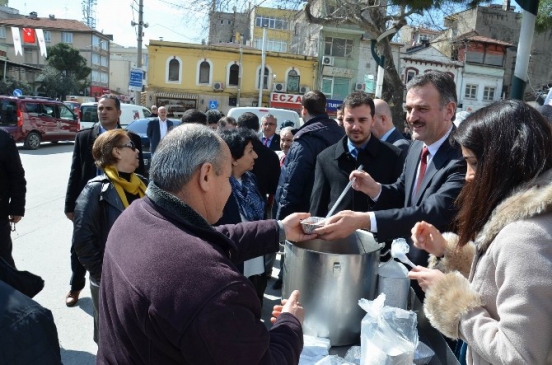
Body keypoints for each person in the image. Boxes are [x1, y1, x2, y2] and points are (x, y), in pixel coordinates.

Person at [97, 124, 316, 364]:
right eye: (228, 178)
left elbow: (211, 237)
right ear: (205, 175)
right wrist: (290, 323)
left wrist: (280, 229)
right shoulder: (212, 288)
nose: (230, 187)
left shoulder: (134, 216)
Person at [408, 99, 552, 365]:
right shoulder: (527, 222)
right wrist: (447, 251)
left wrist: (450, 298)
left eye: (473, 163)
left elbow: (520, 355)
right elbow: (500, 278)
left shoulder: (525, 237)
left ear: (503, 162)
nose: (468, 176)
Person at [316, 71, 465, 275]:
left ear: (449, 111)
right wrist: (375, 189)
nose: (412, 118)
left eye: (422, 109)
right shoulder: (416, 147)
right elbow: (402, 193)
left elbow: (431, 212)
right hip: (406, 268)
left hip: (440, 276)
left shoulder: (463, 157)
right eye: (409, 109)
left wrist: (364, 220)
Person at [64, 94, 145, 307]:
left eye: (108, 108)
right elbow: (75, 173)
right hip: (92, 203)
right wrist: (70, 205)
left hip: (119, 201)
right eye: (101, 108)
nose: (103, 112)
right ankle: (76, 286)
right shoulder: (84, 137)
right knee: (83, 245)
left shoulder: (131, 139)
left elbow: (139, 170)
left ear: (119, 112)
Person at [73, 129, 147, 343]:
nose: (137, 151)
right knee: (114, 341)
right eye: (131, 146)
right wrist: (103, 276)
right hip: (112, 280)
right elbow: (83, 241)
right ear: (116, 152)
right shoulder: (95, 190)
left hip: (143, 277)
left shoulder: (144, 184)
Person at [310, 92, 405, 217]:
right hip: (337, 235)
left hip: (377, 235)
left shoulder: (394, 156)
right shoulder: (325, 158)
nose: (355, 126)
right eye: (350, 120)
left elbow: (401, 206)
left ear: (372, 120)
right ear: (342, 121)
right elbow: (317, 210)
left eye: (362, 120)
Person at [215, 128, 267, 304]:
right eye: (250, 151)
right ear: (234, 159)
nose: (256, 156)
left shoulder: (251, 180)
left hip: (255, 259)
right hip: (232, 262)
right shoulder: (218, 186)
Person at [276, 90, 345, 220]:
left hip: (305, 217)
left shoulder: (304, 140)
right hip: (335, 214)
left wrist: (281, 223)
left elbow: (291, 185)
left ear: (304, 110)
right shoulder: (341, 135)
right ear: (324, 109)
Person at [272, 126, 295, 290]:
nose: (285, 144)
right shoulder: (277, 157)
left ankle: (282, 277)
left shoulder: (295, 160)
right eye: (283, 140)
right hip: (273, 206)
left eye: (289, 140)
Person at [0, 128, 26, 268]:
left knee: (4, 262)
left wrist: (17, 208)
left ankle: (11, 290)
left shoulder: (3, 138)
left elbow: (16, 175)